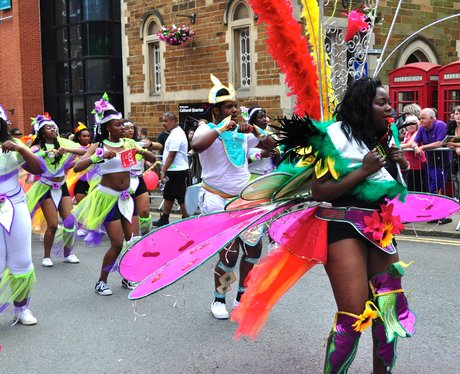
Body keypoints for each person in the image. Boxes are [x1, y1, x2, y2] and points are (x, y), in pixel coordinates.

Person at [191, 74, 276, 319]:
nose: (235, 110)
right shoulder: (206, 127)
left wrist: (256, 130)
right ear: (215, 110)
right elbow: (197, 146)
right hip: (216, 199)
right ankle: (219, 299)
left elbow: (271, 146)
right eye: (229, 106)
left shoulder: (243, 132)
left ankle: (241, 296)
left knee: (253, 250)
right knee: (229, 254)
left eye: (235, 106)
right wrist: (220, 129)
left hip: (245, 199)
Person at [70, 94, 154, 295]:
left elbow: (151, 157)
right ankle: (101, 281)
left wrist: (140, 152)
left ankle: (128, 277)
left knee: (132, 241)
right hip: (107, 198)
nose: (123, 128)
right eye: (118, 125)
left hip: (127, 196)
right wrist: (97, 158)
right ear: (108, 127)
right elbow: (77, 167)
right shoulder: (98, 146)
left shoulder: (128, 143)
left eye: (123, 125)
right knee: (116, 244)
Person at [0, 105, 43, 325]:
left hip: (14, 206)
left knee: (21, 260)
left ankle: (22, 309)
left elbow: (39, 169)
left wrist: (22, 149)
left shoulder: (13, 146)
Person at [27, 114, 85, 267]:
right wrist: (44, 153)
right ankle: (47, 256)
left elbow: (85, 151)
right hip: (46, 187)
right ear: (42, 132)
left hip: (62, 186)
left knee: (70, 222)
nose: (52, 129)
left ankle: (68, 253)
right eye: (48, 127)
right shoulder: (37, 147)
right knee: (52, 225)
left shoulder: (63, 144)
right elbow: (27, 154)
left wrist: (65, 150)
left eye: (54, 127)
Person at [413, 107, 452, 224]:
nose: (420, 121)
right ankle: (435, 214)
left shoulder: (440, 125)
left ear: (432, 119)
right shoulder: (422, 128)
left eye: (423, 118)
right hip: (430, 162)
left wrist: (422, 147)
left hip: (442, 162)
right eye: (420, 118)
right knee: (431, 188)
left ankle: (444, 215)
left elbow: (440, 143)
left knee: (439, 187)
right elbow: (415, 141)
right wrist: (415, 147)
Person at [123, 120, 161, 234]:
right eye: (127, 128)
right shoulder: (118, 144)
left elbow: (159, 146)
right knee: (129, 212)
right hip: (124, 181)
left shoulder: (138, 143)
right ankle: (129, 237)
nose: (130, 130)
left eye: (132, 128)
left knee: (144, 212)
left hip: (139, 179)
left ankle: (145, 236)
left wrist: (149, 144)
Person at [152, 112, 190, 226]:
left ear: (173, 121)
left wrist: (163, 170)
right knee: (168, 195)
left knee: (181, 196)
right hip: (173, 170)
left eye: (165, 121)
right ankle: (164, 218)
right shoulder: (174, 133)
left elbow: (171, 155)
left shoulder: (176, 135)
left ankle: (186, 219)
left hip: (177, 170)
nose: (163, 124)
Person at [246, 106, 280, 178]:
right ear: (253, 121)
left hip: (271, 177)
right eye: (261, 117)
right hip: (253, 178)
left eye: (265, 116)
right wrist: (259, 155)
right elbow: (240, 163)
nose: (265, 119)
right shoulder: (246, 137)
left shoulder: (272, 137)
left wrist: (277, 154)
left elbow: (278, 163)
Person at [400, 114, 426, 191]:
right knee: (409, 187)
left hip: (417, 165)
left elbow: (409, 144)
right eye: (408, 123)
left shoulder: (417, 132)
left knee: (416, 187)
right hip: (408, 165)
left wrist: (395, 145)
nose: (410, 125)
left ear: (417, 124)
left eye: (413, 123)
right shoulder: (407, 133)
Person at [446, 106, 460, 200]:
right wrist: (456, 146)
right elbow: (447, 143)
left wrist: (454, 144)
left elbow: (451, 143)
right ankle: (457, 199)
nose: (458, 116)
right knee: (455, 179)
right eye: (456, 114)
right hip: (455, 158)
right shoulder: (451, 126)